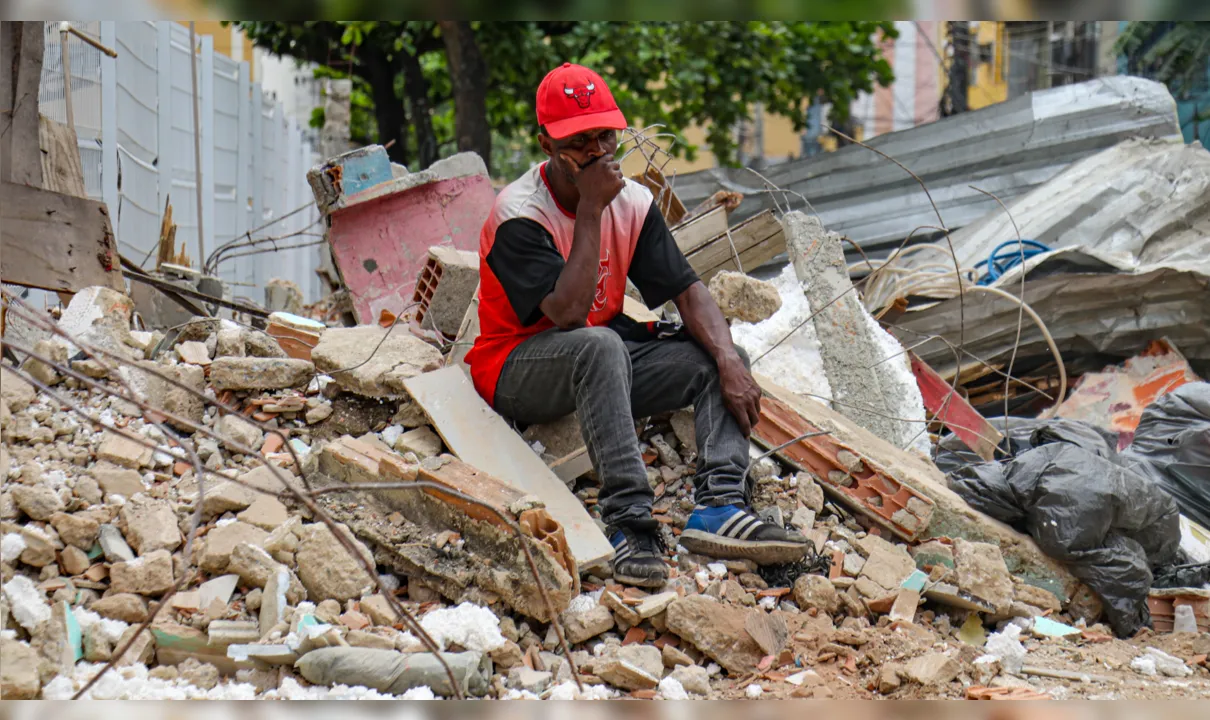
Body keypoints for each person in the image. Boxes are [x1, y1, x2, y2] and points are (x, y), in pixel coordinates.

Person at [464, 63, 807, 588]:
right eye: (580, 142)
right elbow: (569, 315)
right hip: (515, 367)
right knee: (598, 344)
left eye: (606, 135)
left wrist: (728, 360)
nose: (599, 151)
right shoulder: (518, 215)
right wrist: (590, 210)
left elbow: (688, 291)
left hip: (601, 358)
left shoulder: (635, 203)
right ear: (546, 145)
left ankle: (720, 505)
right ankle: (629, 523)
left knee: (715, 351)